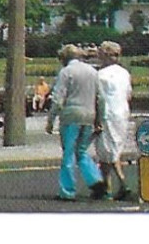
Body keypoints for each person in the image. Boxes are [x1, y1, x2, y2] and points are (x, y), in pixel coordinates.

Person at [51, 45, 104, 201]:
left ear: (64, 58)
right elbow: (100, 98)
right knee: (81, 151)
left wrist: (50, 120)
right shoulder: (93, 72)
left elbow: (58, 98)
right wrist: (99, 120)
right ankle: (95, 180)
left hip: (71, 115)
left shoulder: (66, 72)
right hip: (89, 115)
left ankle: (67, 190)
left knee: (68, 152)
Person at [92, 41, 133, 200]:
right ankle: (109, 185)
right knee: (115, 149)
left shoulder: (100, 75)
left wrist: (97, 119)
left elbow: (99, 99)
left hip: (107, 114)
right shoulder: (124, 73)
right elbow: (128, 94)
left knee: (106, 151)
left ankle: (117, 184)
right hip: (122, 113)